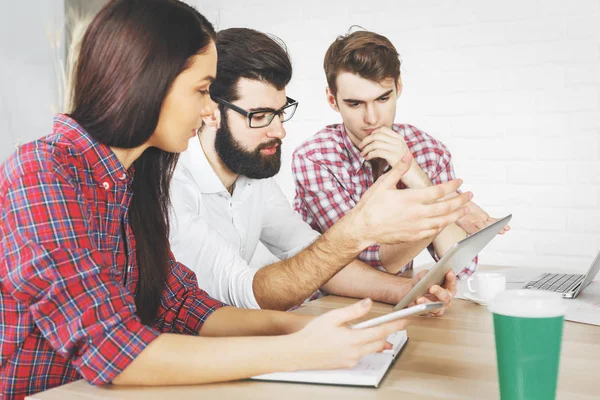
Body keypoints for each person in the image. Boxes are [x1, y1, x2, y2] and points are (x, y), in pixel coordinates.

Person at [0, 3, 411, 398]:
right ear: (149, 82)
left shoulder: (135, 179)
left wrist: (303, 330)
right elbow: (114, 351)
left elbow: (184, 306)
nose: (207, 112)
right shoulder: (41, 171)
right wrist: (300, 349)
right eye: (201, 91)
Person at [168, 28, 471, 312]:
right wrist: (359, 227)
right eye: (259, 116)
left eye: (280, 112)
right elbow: (241, 290)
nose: (279, 131)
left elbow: (312, 256)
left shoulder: (252, 179)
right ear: (209, 112)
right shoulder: (172, 187)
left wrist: (406, 291)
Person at [292, 30, 509, 278]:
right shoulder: (315, 159)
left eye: (383, 98)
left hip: (399, 301)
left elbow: (462, 267)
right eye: (355, 104)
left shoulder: (429, 151)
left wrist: (414, 174)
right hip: (326, 305)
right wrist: (444, 207)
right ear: (332, 100)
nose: (372, 118)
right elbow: (366, 263)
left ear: (398, 88)